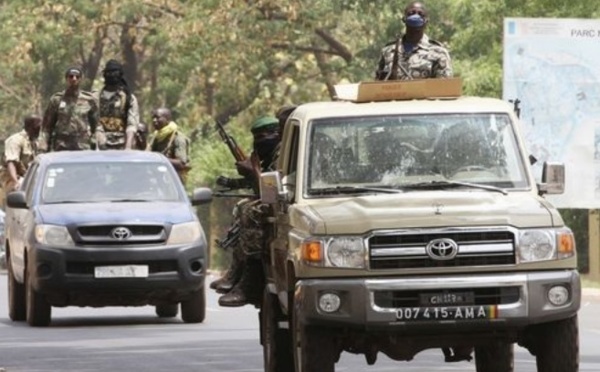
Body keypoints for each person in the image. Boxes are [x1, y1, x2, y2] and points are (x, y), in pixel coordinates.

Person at [211, 116, 281, 307]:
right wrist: (234, 182)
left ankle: (249, 282)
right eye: (256, 137)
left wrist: (252, 171)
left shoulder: (281, 153)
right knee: (242, 206)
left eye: (262, 137)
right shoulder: (269, 154)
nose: (258, 142)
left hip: (284, 203)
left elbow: (270, 191)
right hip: (277, 200)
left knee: (252, 211)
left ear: (275, 134)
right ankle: (236, 271)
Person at [375, 1, 452, 80]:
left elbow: (444, 87)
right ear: (404, 19)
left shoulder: (439, 53)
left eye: (420, 14)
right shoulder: (388, 51)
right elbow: (377, 85)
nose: (415, 16)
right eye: (411, 13)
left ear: (426, 21)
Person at [42, 66, 99, 152]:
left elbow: (96, 124)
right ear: (66, 79)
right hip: (62, 145)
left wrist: (94, 142)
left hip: (82, 145)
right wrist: (44, 146)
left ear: (81, 79)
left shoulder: (89, 99)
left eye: (77, 77)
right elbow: (47, 127)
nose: (74, 79)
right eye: (71, 76)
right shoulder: (57, 99)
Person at [95, 59, 140, 150]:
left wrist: (127, 148)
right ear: (104, 74)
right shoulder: (96, 97)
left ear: (120, 74)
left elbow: (132, 125)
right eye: (109, 72)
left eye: (115, 72)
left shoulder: (128, 98)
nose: (111, 75)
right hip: (99, 146)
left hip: (121, 145)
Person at [0, 115, 42, 206]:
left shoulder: (34, 142)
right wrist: (15, 181)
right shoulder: (15, 140)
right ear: (30, 127)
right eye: (37, 127)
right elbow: (11, 163)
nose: (39, 130)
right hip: (11, 177)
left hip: (27, 177)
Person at [147, 108, 191, 183]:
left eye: (157, 117)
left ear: (167, 120)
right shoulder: (156, 137)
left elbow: (181, 163)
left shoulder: (178, 138)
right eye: (153, 118)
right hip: (157, 180)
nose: (154, 120)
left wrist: (160, 159)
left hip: (173, 182)